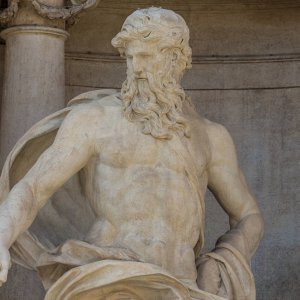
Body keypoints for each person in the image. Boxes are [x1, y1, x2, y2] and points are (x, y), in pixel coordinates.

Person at [0, 7, 263, 300]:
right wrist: (2, 235)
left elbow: (248, 215)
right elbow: (35, 187)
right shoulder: (96, 120)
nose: (136, 68)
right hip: (109, 279)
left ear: (176, 59)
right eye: (130, 57)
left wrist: (223, 258)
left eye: (146, 57)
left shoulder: (211, 137)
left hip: (183, 285)